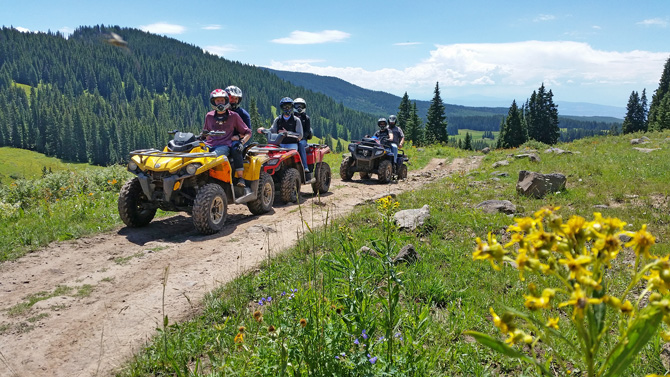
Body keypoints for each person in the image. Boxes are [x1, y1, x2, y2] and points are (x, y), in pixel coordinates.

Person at [202, 89, 252, 187]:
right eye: (217, 101)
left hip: (224, 145)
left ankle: (240, 177)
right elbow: (205, 132)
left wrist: (241, 142)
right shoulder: (209, 116)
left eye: (222, 100)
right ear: (213, 102)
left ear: (226, 101)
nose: (220, 103)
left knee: (211, 157)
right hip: (209, 144)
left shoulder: (234, 116)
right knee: (194, 155)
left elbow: (248, 132)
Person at [257, 97, 310, 179]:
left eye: (289, 106)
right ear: (282, 108)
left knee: (291, 159)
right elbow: (273, 130)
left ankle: (299, 172)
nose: (287, 108)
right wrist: (264, 130)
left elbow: (300, 135)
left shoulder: (296, 120)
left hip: (292, 144)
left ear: (292, 107)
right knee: (271, 157)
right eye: (285, 107)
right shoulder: (278, 119)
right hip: (280, 143)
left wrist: (288, 133)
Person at [293, 97, 312, 180]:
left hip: (303, 140)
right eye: (297, 106)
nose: (299, 108)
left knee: (300, 145)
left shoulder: (306, 118)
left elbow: (308, 131)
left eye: (301, 106)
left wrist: (301, 137)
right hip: (292, 138)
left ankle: (305, 166)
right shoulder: (291, 118)